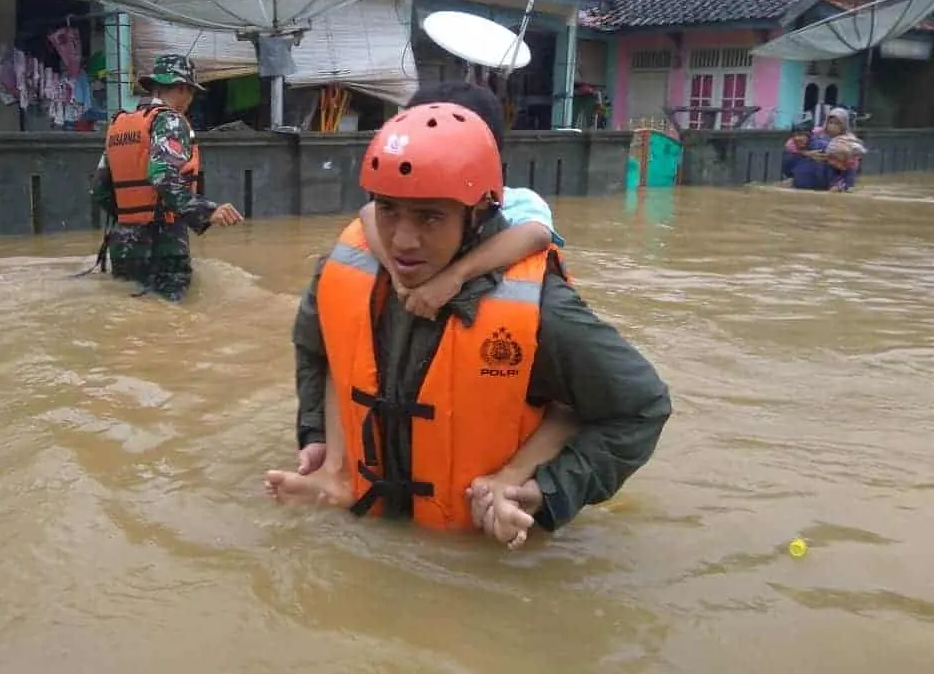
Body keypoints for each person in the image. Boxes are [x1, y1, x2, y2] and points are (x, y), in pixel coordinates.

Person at [265, 99, 672, 548]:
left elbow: (640, 408)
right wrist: (318, 442)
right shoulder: (345, 270)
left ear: (477, 213)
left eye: (430, 217)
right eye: (389, 210)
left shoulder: (542, 309)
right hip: (367, 523)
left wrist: (543, 492)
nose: (402, 240)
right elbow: (318, 352)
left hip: (480, 547)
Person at [359, 81, 565, 321]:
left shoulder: (519, 201)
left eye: (429, 216)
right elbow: (368, 212)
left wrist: (455, 276)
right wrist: (397, 277)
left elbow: (538, 234)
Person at [89, 54, 243, 300]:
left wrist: (132, 219)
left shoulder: (121, 125)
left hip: (123, 246)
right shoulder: (170, 121)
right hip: (162, 245)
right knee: (172, 319)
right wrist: (206, 211)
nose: (191, 100)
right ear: (183, 88)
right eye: (191, 92)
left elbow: (99, 189)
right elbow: (162, 175)